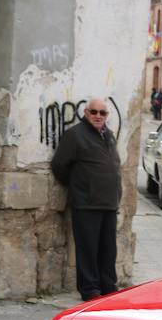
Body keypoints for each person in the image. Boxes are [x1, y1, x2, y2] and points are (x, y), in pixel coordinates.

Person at [51, 98, 122, 302]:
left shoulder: (108, 135)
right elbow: (59, 166)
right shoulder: (75, 135)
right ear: (86, 112)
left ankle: (108, 287)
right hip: (86, 203)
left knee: (108, 249)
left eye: (103, 113)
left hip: (109, 203)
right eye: (94, 112)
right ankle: (90, 290)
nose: (98, 116)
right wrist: (80, 186)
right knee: (87, 249)